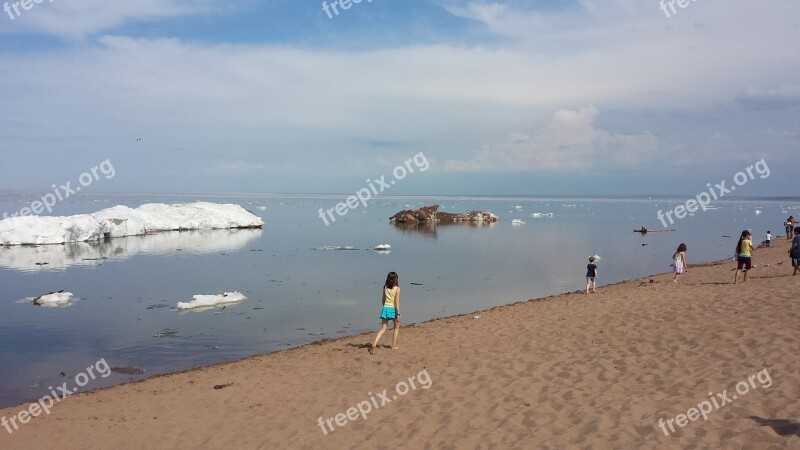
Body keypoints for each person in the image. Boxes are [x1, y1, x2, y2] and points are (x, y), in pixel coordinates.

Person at [370, 272, 400, 354]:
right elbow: (397, 301)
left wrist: (385, 307)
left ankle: (374, 343)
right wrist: (398, 313)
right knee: (396, 327)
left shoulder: (385, 287)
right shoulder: (397, 289)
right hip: (393, 309)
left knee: (383, 329)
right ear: (395, 279)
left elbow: (383, 300)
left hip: (385, 308)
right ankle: (393, 346)